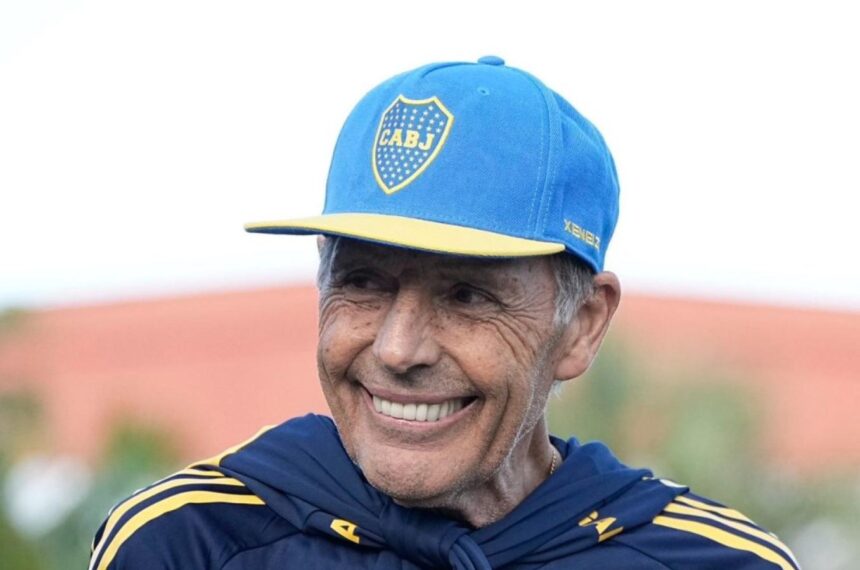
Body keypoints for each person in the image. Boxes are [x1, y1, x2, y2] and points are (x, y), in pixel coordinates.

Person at [89, 56, 799, 569]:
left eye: (467, 295)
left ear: (581, 326)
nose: (398, 349)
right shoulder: (186, 543)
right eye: (363, 282)